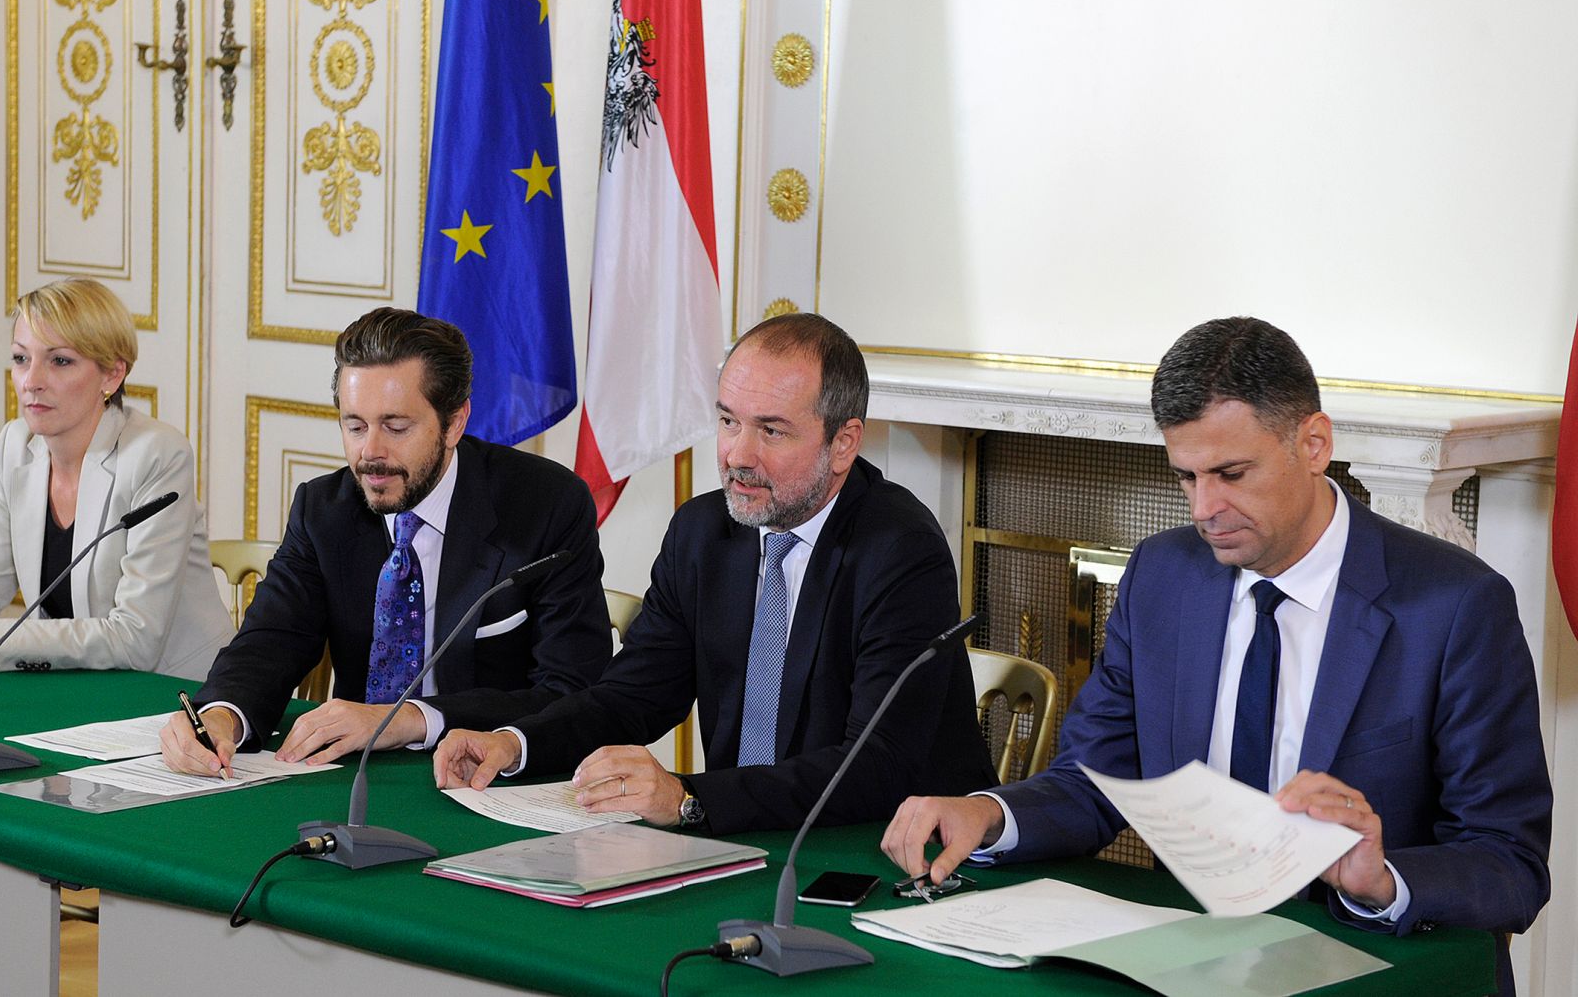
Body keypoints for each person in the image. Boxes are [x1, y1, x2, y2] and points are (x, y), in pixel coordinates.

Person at [880, 317, 1551, 995]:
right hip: (1197, 964)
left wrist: (1381, 881)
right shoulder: (1164, 575)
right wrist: (990, 814)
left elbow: (1511, 864)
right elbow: (1094, 783)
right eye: (1186, 478)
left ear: (1314, 444)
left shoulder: (1454, 605)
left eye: (1230, 474)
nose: (1205, 509)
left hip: (1376, 968)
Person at [434, 313, 995, 835]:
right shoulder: (703, 532)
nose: (737, 455)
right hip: (745, 837)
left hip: (886, 849)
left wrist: (685, 798)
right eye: (728, 421)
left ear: (843, 442)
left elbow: (876, 765)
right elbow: (632, 697)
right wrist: (516, 742)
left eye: (771, 431)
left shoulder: (901, 549)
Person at [159, 308, 611, 776]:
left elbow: (572, 689)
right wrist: (222, 715)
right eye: (354, 426)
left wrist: (410, 719)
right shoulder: (323, 510)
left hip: (491, 782)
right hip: (357, 777)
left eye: (396, 427)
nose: (370, 452)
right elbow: (272, 639)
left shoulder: (545, 506)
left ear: (454, 423)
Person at [0, 277, 232, 677]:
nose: (32, 380)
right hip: (77, 687)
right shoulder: (16, 446)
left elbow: (135, 639)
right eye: (21, 359)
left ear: (112, 375)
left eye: (60, 361)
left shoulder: (157, 454)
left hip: (175, 695)